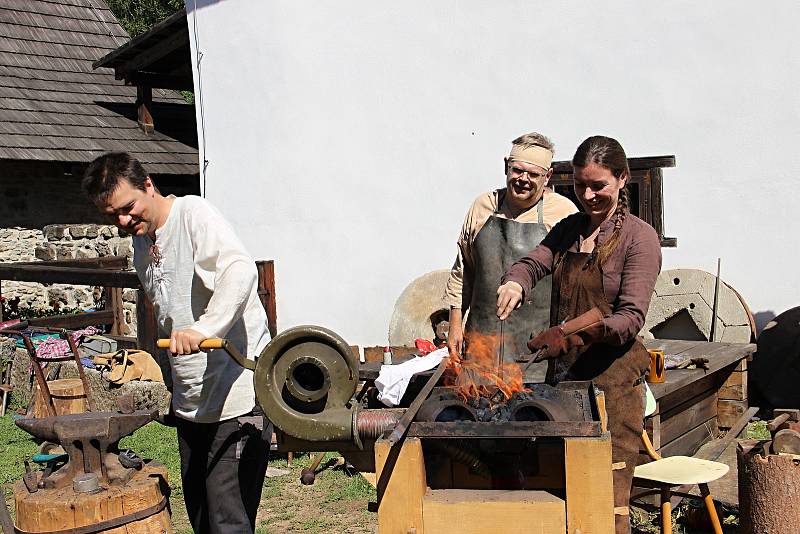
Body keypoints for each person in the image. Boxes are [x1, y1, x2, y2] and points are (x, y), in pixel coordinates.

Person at [83, 152, 270, 534]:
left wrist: (206, 329)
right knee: (201, 516)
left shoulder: (193, 216)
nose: (122, 220)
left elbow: (239, 270)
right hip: (190, 404)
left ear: (148, 185)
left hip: (235, 399)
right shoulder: (141, 245)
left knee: (228, 521)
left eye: (127, 207)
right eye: (111, 215)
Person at [496, 135, 661, 534]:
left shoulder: (640, 239)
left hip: (613, 388)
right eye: (580, 185)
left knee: (606, 499)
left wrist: (569, 333)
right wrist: (516, 282)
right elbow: (534, 262)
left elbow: (629, 319)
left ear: (622, 179)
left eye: (598, 185)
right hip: (565, 384)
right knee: (561, 492)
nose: (587, 195)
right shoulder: (570, 229)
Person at [444, 132, 577, 365]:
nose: (523, 179)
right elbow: (463, 271)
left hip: (534, 351)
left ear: (548, 177)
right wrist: (455, 325)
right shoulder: (483, 206)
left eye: (534, 174)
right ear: (507, 166)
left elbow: (575, 282)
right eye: (517, 170)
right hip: (480, 345)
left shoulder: (563, 213)